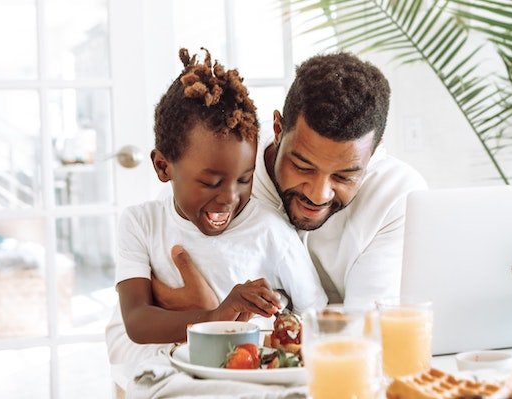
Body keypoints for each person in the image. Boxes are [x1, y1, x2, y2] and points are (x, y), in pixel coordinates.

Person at [105, 48, 327, 365]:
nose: (228, 198)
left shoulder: (269, 230)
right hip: (173, 368)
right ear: (163, 167)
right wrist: (217, 315)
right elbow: (137, 322)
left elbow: (316, 313)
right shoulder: (142, 223)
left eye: (244, 179)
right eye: (211, 182)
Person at [154, 52, 427, 308]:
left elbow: (369, 333)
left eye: (344, 176)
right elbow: (127, 333)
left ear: (374, 152)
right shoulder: (224, 174)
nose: (319, 194)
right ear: (277, 129)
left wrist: (213, 316)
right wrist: (203, 320)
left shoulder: (398, 196)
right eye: (302, 166)